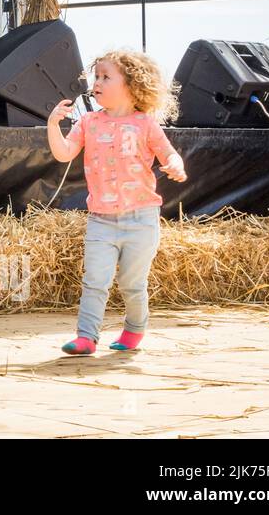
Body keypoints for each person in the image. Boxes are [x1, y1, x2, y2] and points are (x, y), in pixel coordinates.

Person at [46, 50, 187, 355]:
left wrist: (176, 165)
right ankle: (86, 337)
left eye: (106, 76)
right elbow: (64, 153)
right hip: (101, 221)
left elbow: (168, 153)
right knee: (95, 280)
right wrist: (53, 125)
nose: (97, 82)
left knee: (132, 284)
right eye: (96, 76)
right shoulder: (88, 122)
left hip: (141, 220)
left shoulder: (145, 124)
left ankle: (134, 329)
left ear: (131, 85)